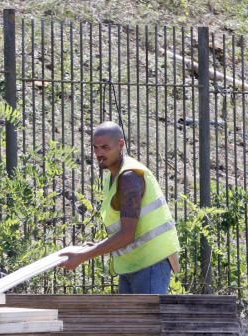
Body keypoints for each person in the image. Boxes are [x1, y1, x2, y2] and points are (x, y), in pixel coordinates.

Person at [60, 122, 181, 294]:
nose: (99, 153)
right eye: (95, 148)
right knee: (133, 321)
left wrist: (82, 256)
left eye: (105, 147)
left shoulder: (129, 177)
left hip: (150, 264)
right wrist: (96, 246)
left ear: (121, 145)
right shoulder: (113, 177)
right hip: (133, 264)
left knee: (147, 320)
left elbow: (127, 235)